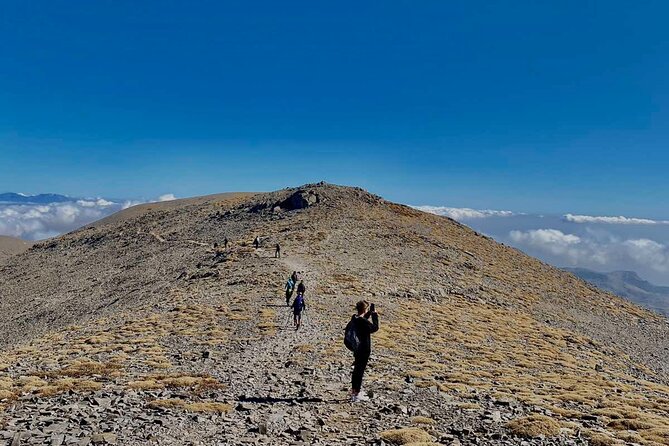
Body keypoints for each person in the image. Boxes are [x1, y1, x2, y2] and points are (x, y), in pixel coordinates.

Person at [349, 300, 379, 403]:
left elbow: (363, 320)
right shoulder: (362, 322)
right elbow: (375, 328)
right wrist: (374, 315)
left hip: (357, 348)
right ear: (365, 309)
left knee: (356, 370)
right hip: (364, 349)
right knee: (360, 371)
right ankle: (357, 394)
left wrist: (368, 314)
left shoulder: (355, 318)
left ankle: (354, 392)